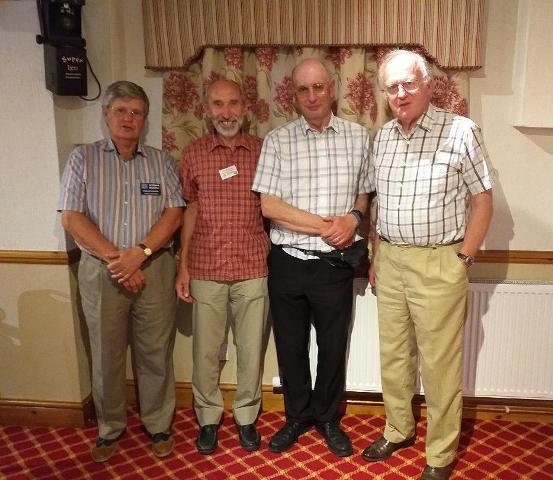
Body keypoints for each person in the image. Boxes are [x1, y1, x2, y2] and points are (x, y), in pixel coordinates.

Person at [362, 50, 493, 480]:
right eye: (391, 87)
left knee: (438, 366)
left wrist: (463, 259)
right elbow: (381, 206)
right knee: (394, 357)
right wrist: (378, 256)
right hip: (392, 260)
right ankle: (398, 427)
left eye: (408, 84)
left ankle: (440, 455)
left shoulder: (460, 131)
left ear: (429, 85)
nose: (400, 94)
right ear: (384, 93)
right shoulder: (382, 138)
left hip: (441, 262)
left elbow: (482, 200)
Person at [58, 81, 184, 462]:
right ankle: (110, 428)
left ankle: (159, 425)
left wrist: (141, 253)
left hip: (155, 268)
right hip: (102, 271)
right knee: (106, 352)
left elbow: (174, 212)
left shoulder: (161, 161)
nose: (129, 119)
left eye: (137, 113)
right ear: (106, 114)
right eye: (121, 111)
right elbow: (72, 217)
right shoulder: (83, 159)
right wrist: (120, 259)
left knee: (155, 351)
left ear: (145, 119)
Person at [252, 58, 372, 457]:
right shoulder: (277, 140)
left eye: (318, 87)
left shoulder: (358, 137)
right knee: (290, 346)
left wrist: (353, 218)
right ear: (294, 94)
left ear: (333, 88)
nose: (312, 96)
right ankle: (296, 417)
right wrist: (326, 225)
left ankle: (327, 419)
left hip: (333, 265)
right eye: (303, 89)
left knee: (333, 347)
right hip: (287, 261)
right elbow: (269, 206)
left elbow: (363, 194)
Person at [176, 79, 270, 454]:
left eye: (233, 104)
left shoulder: (263, 151)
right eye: (218, 104)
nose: (226, 112)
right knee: (205, 351)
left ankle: (246, 416)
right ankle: (209, 417)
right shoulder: (194, 154)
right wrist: (183, 265)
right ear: (207, 109)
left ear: (245, 108)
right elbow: (189, 209)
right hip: (206, 266)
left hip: (253, 266)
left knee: (250, 350)